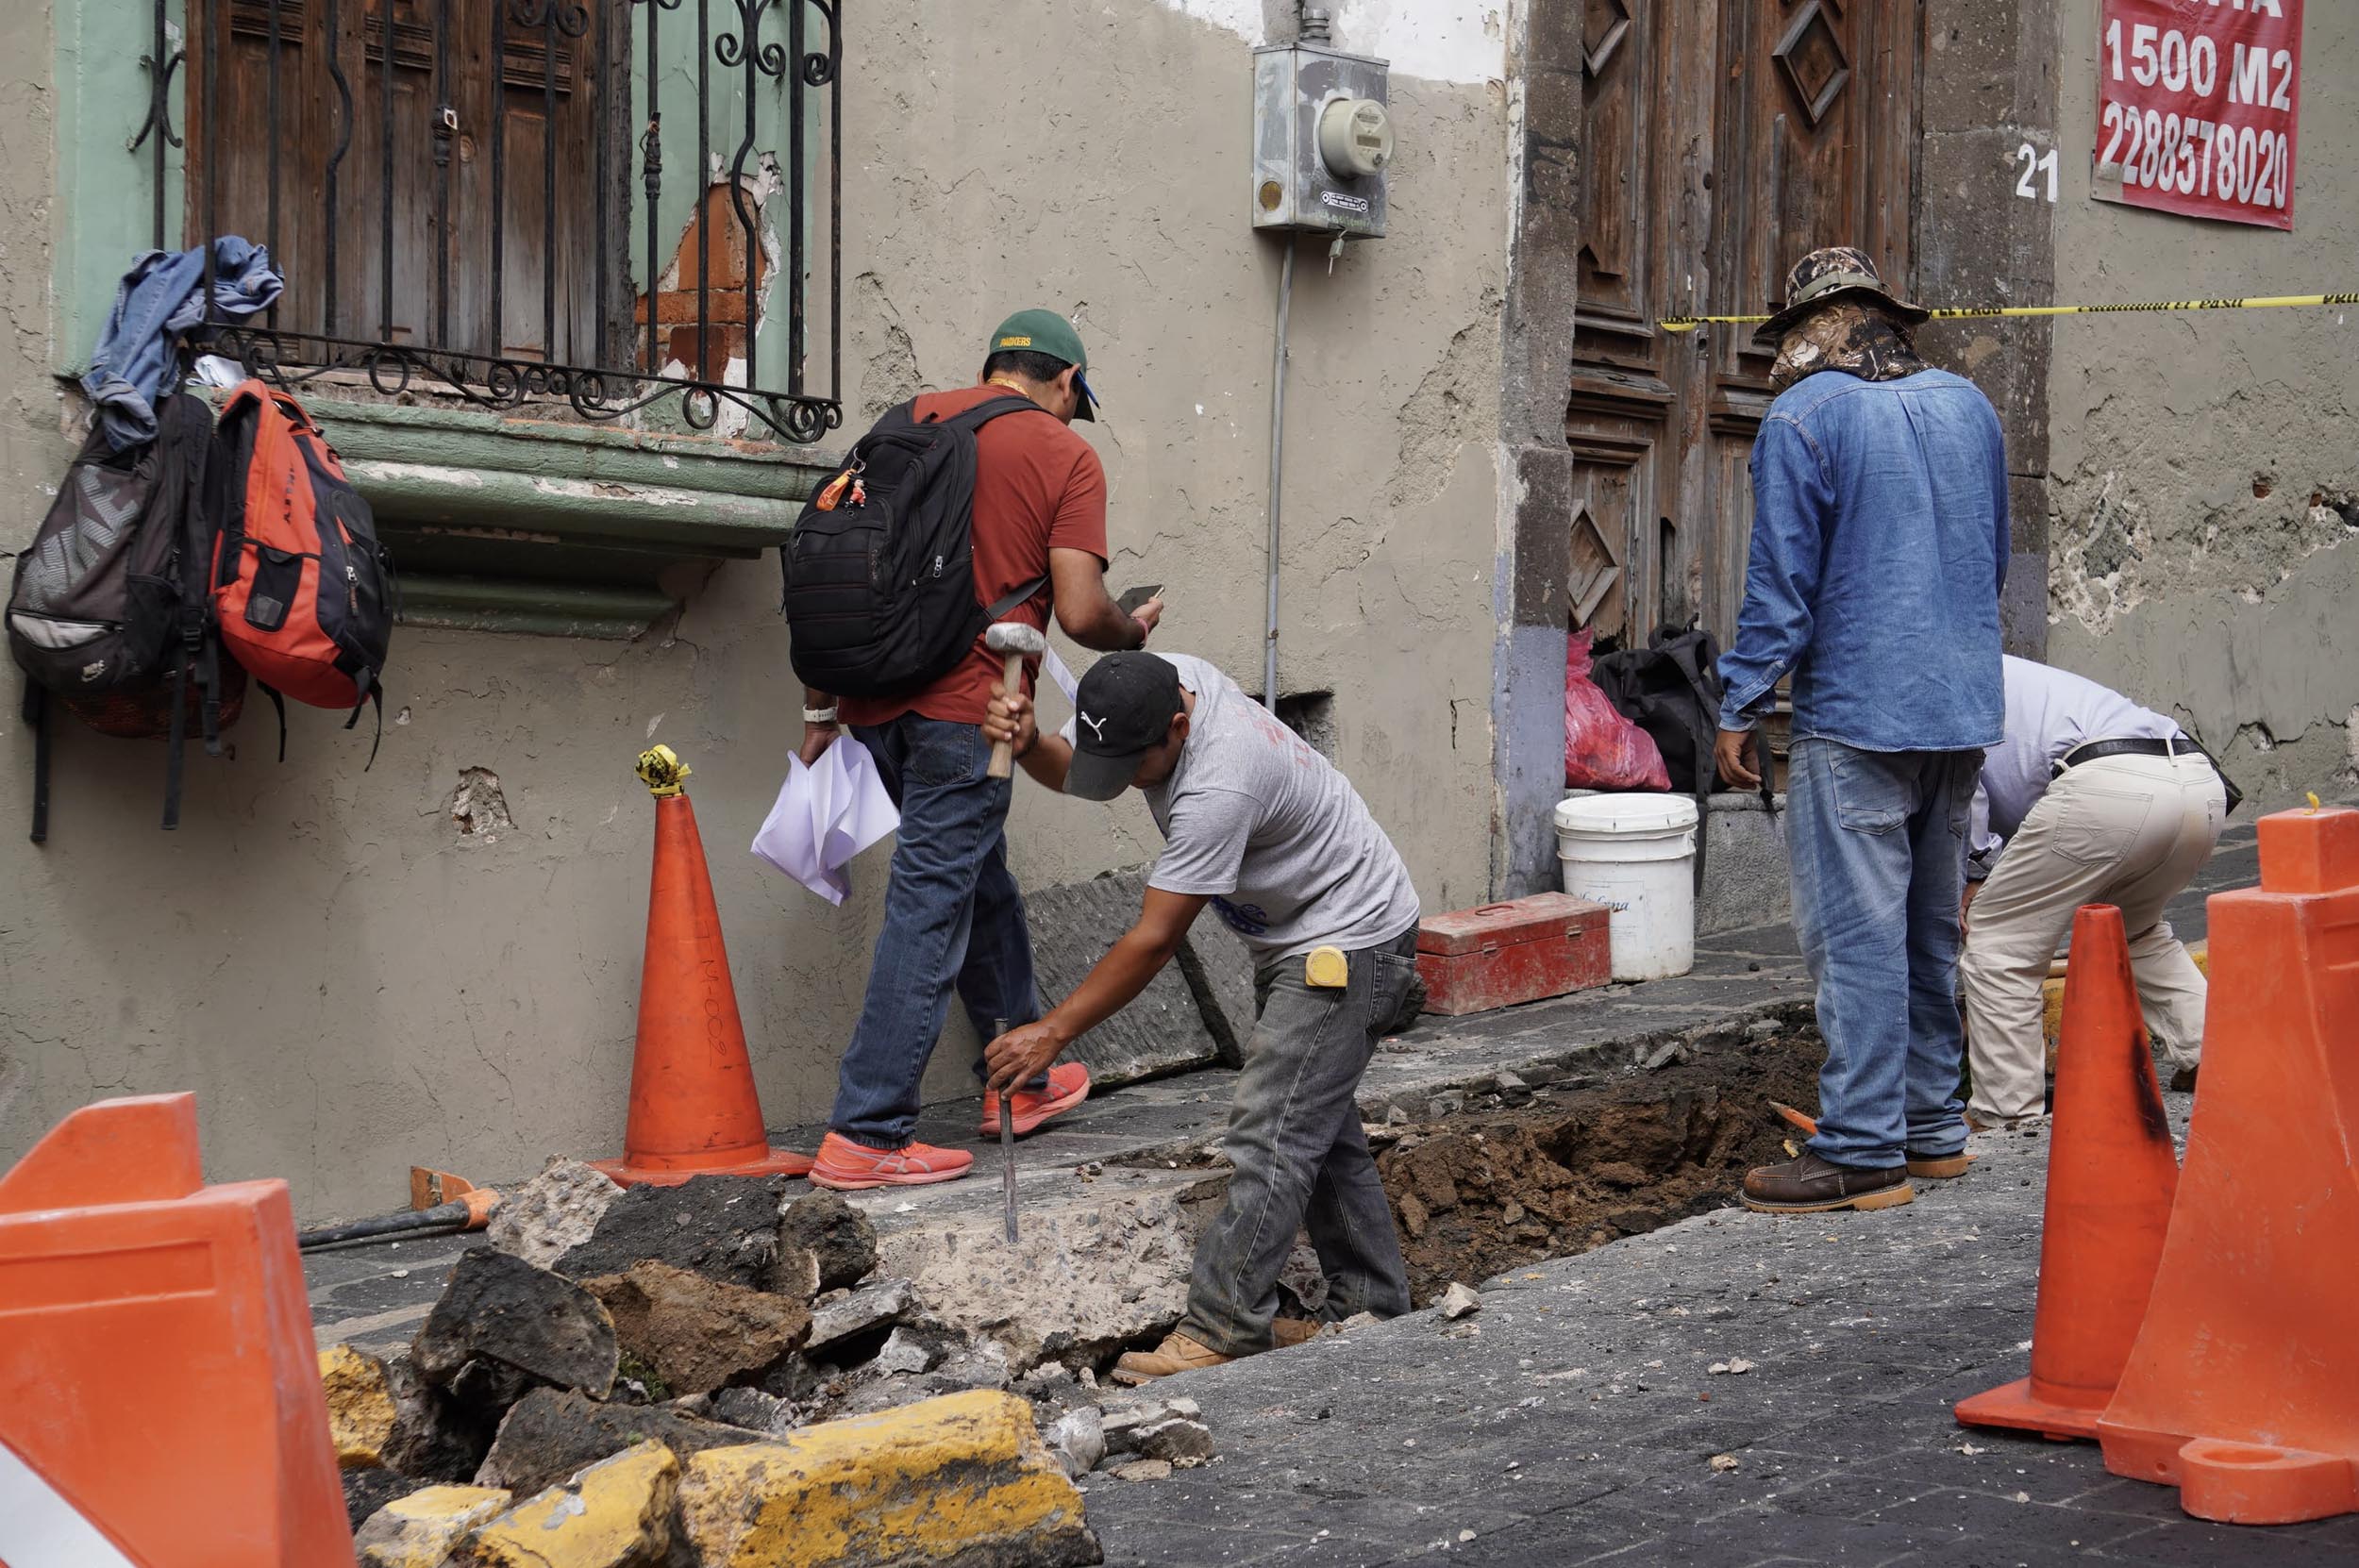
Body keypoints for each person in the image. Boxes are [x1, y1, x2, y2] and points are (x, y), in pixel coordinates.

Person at [980, 650, 1423, 1382]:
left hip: (1350, 940)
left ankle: (1223, 1327)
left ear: (1179, 726)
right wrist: (1031, 747)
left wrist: (1052, 1031)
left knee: (1271, 1133)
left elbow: (1154, 940)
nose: (1123, 780)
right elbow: (1086, 772)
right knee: (1313, 1133)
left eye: (1135, 764)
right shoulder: (1150, 684)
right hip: (1302, 936)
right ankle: (1373, 1306)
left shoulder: (1222, 779)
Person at [796, 309, 1162, 1192]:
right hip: (969, 711)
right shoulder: (1064, 453)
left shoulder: (908, 422)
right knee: (930, 909)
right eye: (1079, 399)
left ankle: (1024, 1083)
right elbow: (1078, 610)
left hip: (871, 701)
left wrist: (820, 708)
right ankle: (868, 1132)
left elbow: (834, 563)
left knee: (977, 882)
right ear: (1066, 381)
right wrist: (1132, 630)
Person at [1712, 247, 2008, 1215]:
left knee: (1858, 937)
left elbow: (1780, 585)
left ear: (1809, 329)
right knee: (1927, 929)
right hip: (1958, 706)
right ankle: (1930, 1130)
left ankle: (1859, 1149)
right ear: (1887, 317)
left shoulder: (1803, 416)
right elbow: (1989, 559)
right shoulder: (1971, 409)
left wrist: (1741, 700)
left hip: (1862, 712)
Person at [1959, 657, 2228, 1126]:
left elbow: (1965, 771)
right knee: (2138, 931)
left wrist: (1977, 865)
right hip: (2199, 780)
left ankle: (2007, 1114)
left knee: (2000, 945)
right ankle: (2220, 1056)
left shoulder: (1939, 663)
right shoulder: (1995, 661)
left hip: (2108, 786)